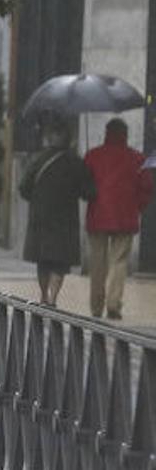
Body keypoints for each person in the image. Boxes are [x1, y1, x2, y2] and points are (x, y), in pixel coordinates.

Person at [21, 122, 96, 307]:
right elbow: (88, 192)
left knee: (43, 259)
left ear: (49, 137)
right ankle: (53, 298)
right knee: (59, 261)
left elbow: (23, 188)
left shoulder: (38, 159)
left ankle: (43, 296)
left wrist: (37, 198)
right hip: (65, 218)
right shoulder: (75, 162)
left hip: (40, 216)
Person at [84, 118, 152, 320]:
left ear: (106, 133)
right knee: (119, 261)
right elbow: (147, 187)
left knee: (97, 262)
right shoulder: (137, 158)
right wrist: (137, 207)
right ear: (126, 134)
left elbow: (84, 185)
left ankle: (96, 306)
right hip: (125, 216)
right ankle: (113, 304)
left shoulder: (92, 155)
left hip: (97, 215)